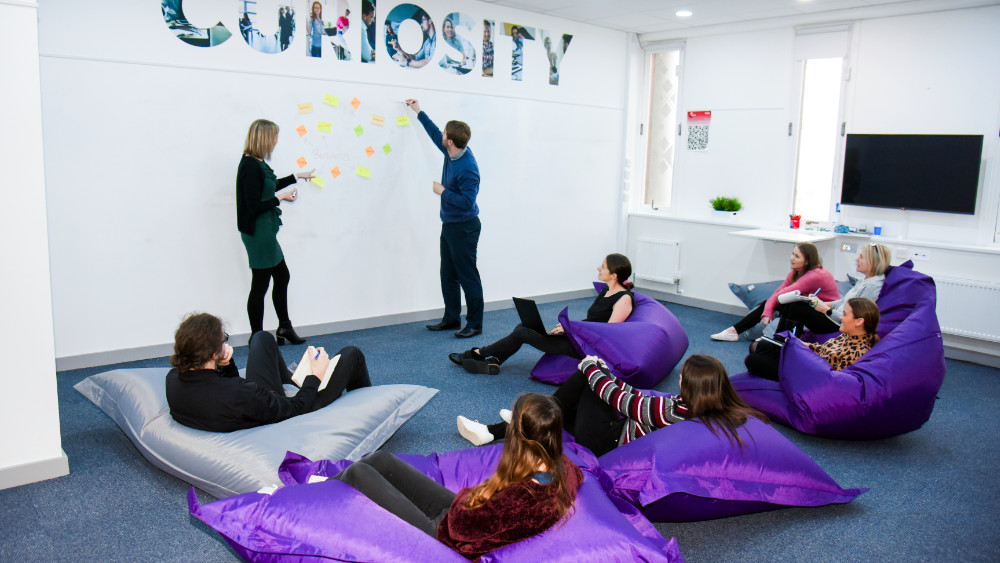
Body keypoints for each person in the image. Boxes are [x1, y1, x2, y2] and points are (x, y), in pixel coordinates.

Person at [333, 393, 583, 559]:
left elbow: (463, 529)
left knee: (359, 471)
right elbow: (579, 476)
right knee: (381, 460)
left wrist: (471, 498)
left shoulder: (521, 496)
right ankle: (327, 487)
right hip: (460, 515)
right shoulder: (562, 465)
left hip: (444, 538)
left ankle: (318, 495)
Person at [457, 355, 766, 458]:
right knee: (565, 404)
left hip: (607, 440)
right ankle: (515, 423)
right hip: (615, 428)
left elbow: (621, 401)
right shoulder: (695, 407)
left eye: (684, 374)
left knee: (587, 384)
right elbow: (639, 400)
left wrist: (591, 369)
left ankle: (500, 427)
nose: (680, 376)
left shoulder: (674, 411)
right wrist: (604, 372)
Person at [165, 313, 371, 432]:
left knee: (262, 338)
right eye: (223, 339)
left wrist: (225, 364)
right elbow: (295, 408)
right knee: (351, 354)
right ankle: (370, 415)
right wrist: (314, 376)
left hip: (257, 404)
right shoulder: (240, 392)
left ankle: (295, 380)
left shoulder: (173, 380)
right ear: (213, 353)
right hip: (286, 414)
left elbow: (225, 390)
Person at [450, 254, 635, 375]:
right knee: (523, 326)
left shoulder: (624, 300)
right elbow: (593, 322)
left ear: (614, 275)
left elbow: (606, 334)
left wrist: (573, 328)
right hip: (577, 337)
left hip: (583, 347)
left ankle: (478, 353)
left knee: (524, 333)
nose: (598, 268)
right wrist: (569, 328)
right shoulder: (605, 291)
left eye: (602, 267)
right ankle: (496, 359)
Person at [404, 98, 484, 338]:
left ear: (450, 141)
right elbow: (432, 133)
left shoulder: (468, 167)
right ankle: (451, 318)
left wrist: (443, 192)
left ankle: (475, 324)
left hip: (465, 228)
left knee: (467, 276)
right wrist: (419, 111)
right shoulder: (451, 151)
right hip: (449, 225)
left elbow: (467, 202)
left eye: (444, 133)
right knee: (447, 274)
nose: (441, 134)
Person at [236, 119, 314, 344]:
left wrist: (297, 176)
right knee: (260, 284)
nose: (276, 141)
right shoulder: (250, 166)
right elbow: (254, 206)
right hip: (258, 233)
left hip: (266, 231)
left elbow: (268, 187)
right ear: (263, 138)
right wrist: (281, 197)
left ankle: (284, 328)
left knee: (281, 276)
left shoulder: (258, 163)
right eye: (274, 137)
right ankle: (257, 337)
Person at [711, 241, 839, 341]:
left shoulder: (815, 275)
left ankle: (740, 332)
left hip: (827, 316)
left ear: (807, 261)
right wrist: (767, 311)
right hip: (812, 309)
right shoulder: (796, 273)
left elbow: (781, 295)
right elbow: (778, 293)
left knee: (791, 304)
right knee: (778, 303)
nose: (792, 258)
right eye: (792, 254)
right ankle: (735, 331)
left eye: (797, 256)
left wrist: (768, 311)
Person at [744, 297, 881, 381]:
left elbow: (830, 378)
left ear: (859, 321)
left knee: (753, 359)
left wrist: (799, 353)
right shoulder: (847, 336)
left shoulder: (857, 352)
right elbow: (821, 349)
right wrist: (799, 343)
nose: (841, 318)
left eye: (845, 314)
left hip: (805, 374)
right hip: (804, 361)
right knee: (760, 345)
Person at [775, 243, 891, 335]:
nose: (856, 260)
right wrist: (821, 303)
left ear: (872, 262)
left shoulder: (872, 286)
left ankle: (781, 344)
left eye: (861, 257)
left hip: (838, 323)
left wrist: (825, 309)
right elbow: (844, 301)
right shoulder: (865, 280)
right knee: (794, 302)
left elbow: (853, 318)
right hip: (834, 316)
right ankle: (781, 340)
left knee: (797, 307)